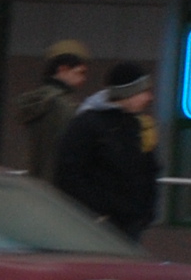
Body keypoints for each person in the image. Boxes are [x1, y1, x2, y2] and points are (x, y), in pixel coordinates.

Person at [55, 61, 161, 241]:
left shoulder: (137, 125)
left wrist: (145, 213)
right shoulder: (87, 125)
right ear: (128, 93)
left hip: (129, 223)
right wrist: (100, 211)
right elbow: (69, 174)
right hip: (98, 226)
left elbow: (147, 171)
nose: (149, 98)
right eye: (143, 92)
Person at [14, 40, 91, 181]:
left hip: (36, 180)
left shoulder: (38, 100)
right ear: (62, 70)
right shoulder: (61, 105)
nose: (83, 79)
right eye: (80, 72)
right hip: (56, 183)